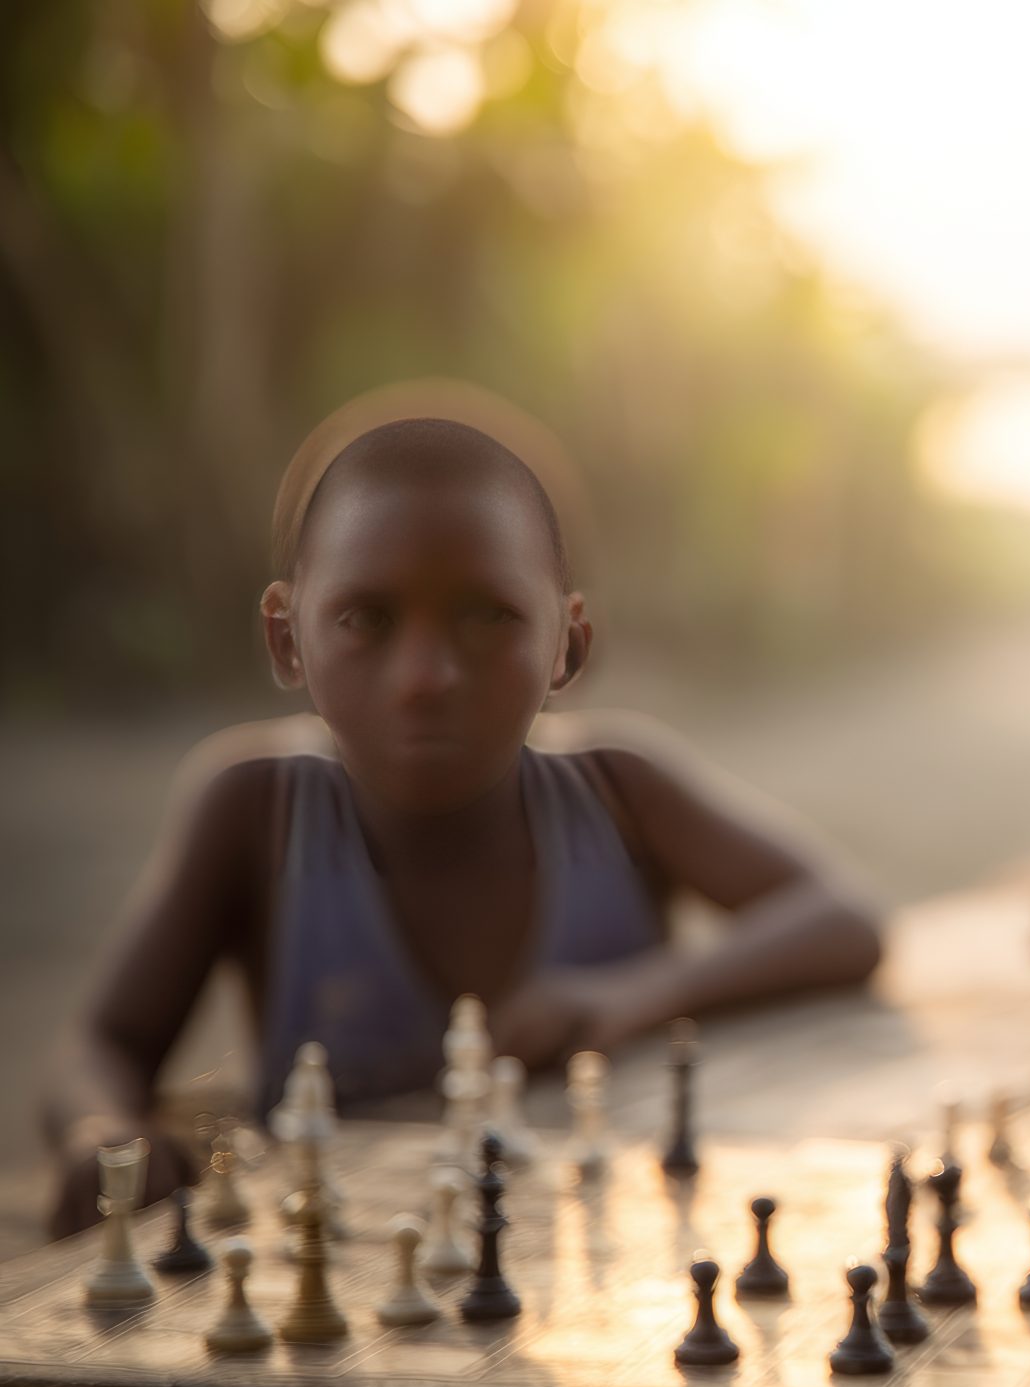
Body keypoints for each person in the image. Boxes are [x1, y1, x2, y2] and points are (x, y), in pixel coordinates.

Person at [40, 413, 883, 1236]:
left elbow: (845, 920)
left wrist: (635, 993)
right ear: (286, 638)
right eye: (366, 619)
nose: (425, 676)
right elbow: (102, 1044)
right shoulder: (256, 812)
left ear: (569, 647)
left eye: (487, 617)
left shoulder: (617, 789)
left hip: (606, 1276)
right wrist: (101, 1133)